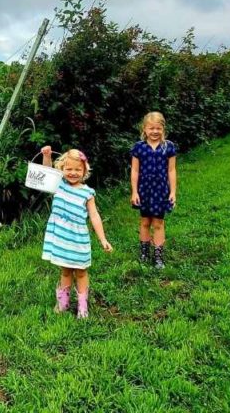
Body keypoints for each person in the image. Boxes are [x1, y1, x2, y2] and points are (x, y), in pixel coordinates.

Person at [39, 146, 113, 318]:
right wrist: (47, 156)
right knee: (65, 270)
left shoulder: (87, 193)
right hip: (61, 238)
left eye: (78, 169)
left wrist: (103, 239)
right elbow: (46, 172)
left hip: (78, 240)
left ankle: (82, 306)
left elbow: (94, 216)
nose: (73, 173)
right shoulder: (59, 185)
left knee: (81, 271)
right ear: (62, 169)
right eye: (69, 169)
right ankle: (63, 304)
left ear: (84, 171)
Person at [130, 111, 177, 269]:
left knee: (158, 222)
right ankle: (144, 253)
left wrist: (173, 192)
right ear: (144, 129)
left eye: (158, 128)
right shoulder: (139, 147)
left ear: (163, 129)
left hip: (161, 190)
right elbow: (135, 171)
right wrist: (134, 192)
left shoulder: (168, 147)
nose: (155, 131)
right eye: (151, 128)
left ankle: (158, 256)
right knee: (145, 221)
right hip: (143, 190)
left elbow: (171, 170)